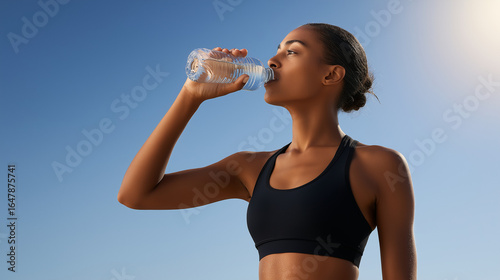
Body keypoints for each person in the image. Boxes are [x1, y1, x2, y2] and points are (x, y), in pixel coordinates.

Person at [117, 22, 417, 280]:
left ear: (331, 75)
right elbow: (136, 194)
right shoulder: (249, 168)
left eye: (292, 51)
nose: (272, 61)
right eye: (277, 50)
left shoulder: (379, 165)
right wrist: (190, 96)